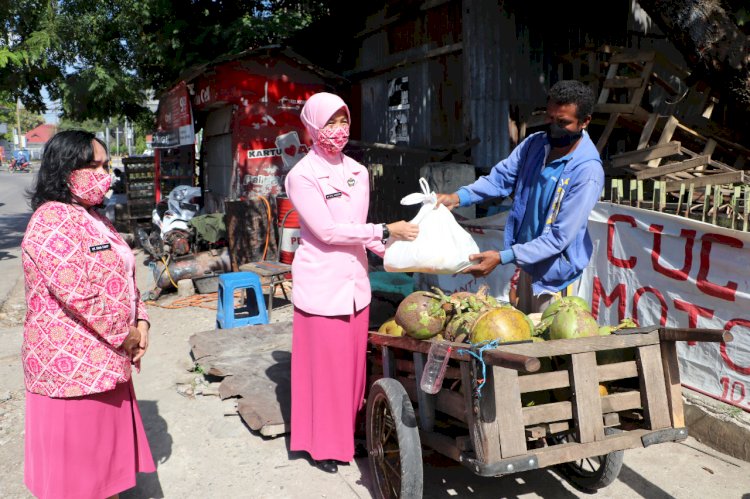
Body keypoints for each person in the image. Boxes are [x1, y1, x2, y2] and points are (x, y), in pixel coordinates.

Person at [285, 92, 419, 474]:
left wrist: (394, 252)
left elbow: (363, 233)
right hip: (322, 286)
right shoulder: (301, 176)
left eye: (343, 121)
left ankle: (350, 433)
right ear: (311, 126)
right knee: (324, 371)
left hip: (355, 286)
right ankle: (323, 444)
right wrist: (382, 228)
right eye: (330, 122)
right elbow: (327, 231)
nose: (338, 130)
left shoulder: (358, 172)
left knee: (352, 369)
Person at [21, 130, 155, 498]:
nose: (103, 173)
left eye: (106, 165)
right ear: (65, 169)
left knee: (102, 472)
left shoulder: (93, 217)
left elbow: (125, 273)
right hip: (72, 369)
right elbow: (78, 294)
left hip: (106, 359)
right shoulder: (52, 220)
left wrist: (141, 321)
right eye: (92, 165)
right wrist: (125, 333)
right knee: (78, 480)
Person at [437, 80, 604, 314]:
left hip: (557, 278)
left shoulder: (587, 172)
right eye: (550, 118)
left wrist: (502, 257)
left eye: (563, 122)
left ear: (584, 122)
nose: (554, 127)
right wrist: (457, 197)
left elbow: (559, 238)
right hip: (528, 265)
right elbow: (499, 180)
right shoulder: (534, 145)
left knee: (551, 346)